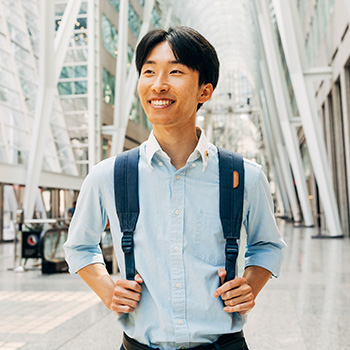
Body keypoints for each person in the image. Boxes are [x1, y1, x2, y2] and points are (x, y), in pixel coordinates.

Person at [64, 26, 286, 350]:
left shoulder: (244, 176)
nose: (158, 85)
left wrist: (250, 285)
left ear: (204, 91)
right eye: (149, 71)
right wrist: (108, 290)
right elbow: (78, 246)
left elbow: (268, 244)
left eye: (176, 71)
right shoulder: (108, 176)